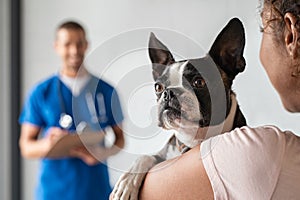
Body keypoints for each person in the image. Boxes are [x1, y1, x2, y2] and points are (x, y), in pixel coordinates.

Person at [139, 0, 300, 199]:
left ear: (290, 36)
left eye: (197, 82)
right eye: (161, 87)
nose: (168, 94)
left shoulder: (253, 148)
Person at [19, 21, 125, 200]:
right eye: (68, 44)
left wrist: (102, 153)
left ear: (86, 45)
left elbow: (120, 139)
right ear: (57, 47)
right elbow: (25, 147)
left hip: (95, 190)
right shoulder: (41, 93)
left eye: (79, 43)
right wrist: (48, 144)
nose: (75, 51)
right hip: (54, 192)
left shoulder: (106, 91)